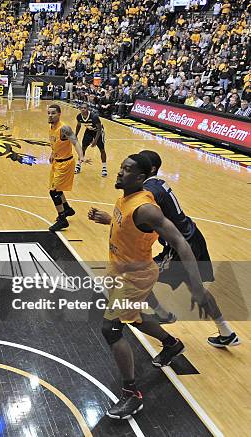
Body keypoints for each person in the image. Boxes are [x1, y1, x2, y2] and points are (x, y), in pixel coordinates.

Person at [88, 154, 219, 419]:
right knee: (134, 319)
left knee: (110, 328)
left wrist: (195, 284)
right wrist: (108, 220)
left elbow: (181, 242)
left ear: (140, 178)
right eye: (121, 167)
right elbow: (130, 228)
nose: (120, 172)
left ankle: (131, 395)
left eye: (127, 170)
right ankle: (171, 344)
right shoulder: (125, 199)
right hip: (122, 271)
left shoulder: (146, 207)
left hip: (135, 276)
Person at [138, 150, 239, 347]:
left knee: (139, 275)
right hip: (192, 236)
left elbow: (145, 221)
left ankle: (163, 316)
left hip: (181, 245)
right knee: (196, 289)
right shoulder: (157, 183)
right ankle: (226, 332)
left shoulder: (149, 191)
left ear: (150, 169)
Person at [46, 104, 90, 232]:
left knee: (53, 192)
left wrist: (82, 157)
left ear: (59, 114)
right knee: (56, 189)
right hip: (57, 162)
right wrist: (52, 154)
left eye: (53, 113)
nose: (50, 115)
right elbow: (56, 144)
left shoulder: (64, 128)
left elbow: (75, 141)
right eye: (48, 113)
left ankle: (62, 219)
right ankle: (67, 208)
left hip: (65, 164)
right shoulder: (51, 127)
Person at [74, 102, 107, 177]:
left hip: (98, 132)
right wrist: (75, 135)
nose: (83, 109)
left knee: (102, 149)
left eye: (85, 108)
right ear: (79, 109)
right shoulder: (79, 116)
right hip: (89, 131)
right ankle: (78, 166)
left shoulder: (94, 117)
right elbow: (78, 125)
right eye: (81, 108)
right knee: (83, 148)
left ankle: (104, 168)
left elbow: (99, 129)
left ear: (87, 109)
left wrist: (95, 140)